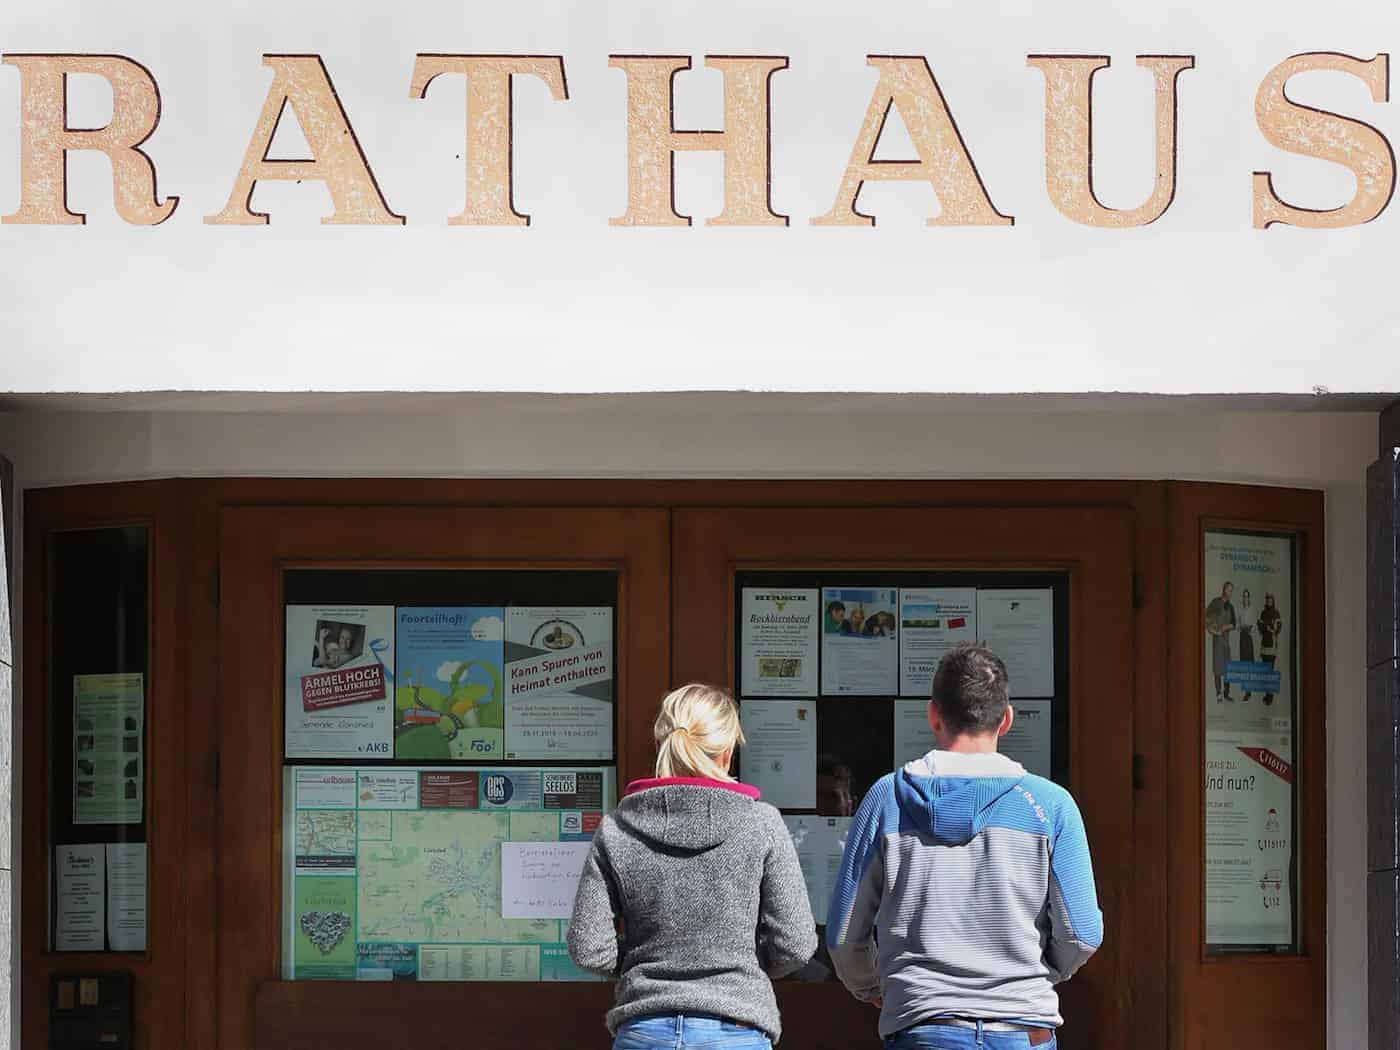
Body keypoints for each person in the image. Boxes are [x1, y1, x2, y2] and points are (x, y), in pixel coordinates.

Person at [825, 643, 1103, 1049]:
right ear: (1006, 719)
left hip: (924, 1025)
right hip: (1022, 1029)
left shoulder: (887, 800)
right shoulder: (1050, 806)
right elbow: (1081, 935)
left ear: (933, 715)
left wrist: (873, 988)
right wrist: (1036, 973)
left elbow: (844, 936)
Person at [568, 684, 817, 1049]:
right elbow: (795, 943)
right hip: (735, 1028)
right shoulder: (761, 823)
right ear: (727, 753)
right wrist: (743, 964)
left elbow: (589, 948)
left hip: (645, 1028)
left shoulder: (617, 828)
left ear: (659, 744)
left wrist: (641, 964)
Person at [1205, 582, 1237, 702]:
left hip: (1226, 640)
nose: (1230, 593)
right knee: (1217, 667)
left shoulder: (1231, 606)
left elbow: (1234, 624)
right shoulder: (1216, 602)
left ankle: (1226, 693)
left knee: (1227, 667)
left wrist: (1226, 627)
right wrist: (1211, 629)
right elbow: (1206, 616)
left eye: (1231, 591)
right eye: (1228, 590)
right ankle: (1218, 693)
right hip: (1217, 640)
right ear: (1223, 590)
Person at [1257, 593, 1283, 706]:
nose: (1269, 602)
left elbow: (1278, 628)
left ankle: (1270, 696)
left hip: (1272, 645)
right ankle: (1267, 694)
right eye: (1267, 600)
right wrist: (1266, 627)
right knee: (1264, 672)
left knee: (1270, 671)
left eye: (1270, 601)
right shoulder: (1263, 613)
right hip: (1264, 645)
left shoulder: (1276, 613)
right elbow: (1260, 628)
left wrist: (1270, 628)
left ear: (1273, 601)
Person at [1237, 588, 1257, 702]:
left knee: (1249, 664)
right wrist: (1240, 627)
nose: (1245, 598)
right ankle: (1246, 691)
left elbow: (1254, 626)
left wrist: (1250, 629)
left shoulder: (1252, 610)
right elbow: (1238, 625)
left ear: (1249, 598)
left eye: (1247, 596)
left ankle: (1249, 690)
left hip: (1248, 638)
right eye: (1244, 596)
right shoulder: (1240, 610)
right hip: (1242, 638)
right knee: (1243, 664)